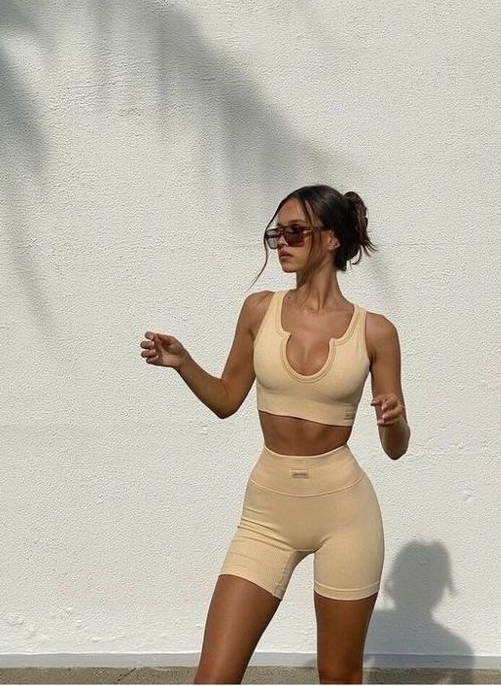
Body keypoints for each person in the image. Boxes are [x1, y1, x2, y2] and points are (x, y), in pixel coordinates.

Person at [140, 184, 409, 685]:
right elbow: (226, 400)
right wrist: (183, 363)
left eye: (293, 232)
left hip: (345, 513)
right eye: (275, 234)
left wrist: (394, 420)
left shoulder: (375, 332)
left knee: (338, 675)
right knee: (214, 677)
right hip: (268, 510)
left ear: (330, 240)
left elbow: (396, 450)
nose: (280, 243)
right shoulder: (259, 310)